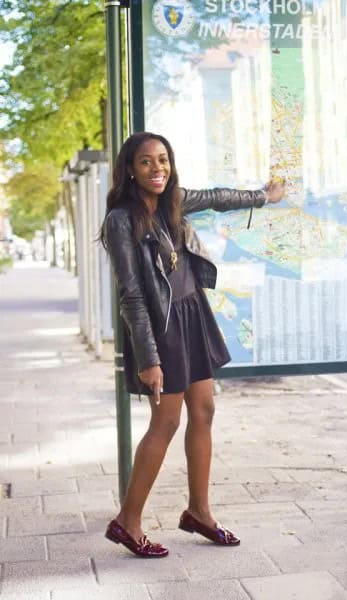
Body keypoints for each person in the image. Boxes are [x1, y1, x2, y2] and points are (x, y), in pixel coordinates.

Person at [101, 131, 285, 558]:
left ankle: (199, 512)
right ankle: (127, 522)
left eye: (162, 160)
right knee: (165, 423)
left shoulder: (174, 201)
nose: (157, 168)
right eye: (146, 162)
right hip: (160, 327)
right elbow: (131, 294)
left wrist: (263, 196)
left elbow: (218, 196)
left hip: (191, 312)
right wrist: (149, 358)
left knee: (204, 409)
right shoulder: (121, 219)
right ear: (130, 168)